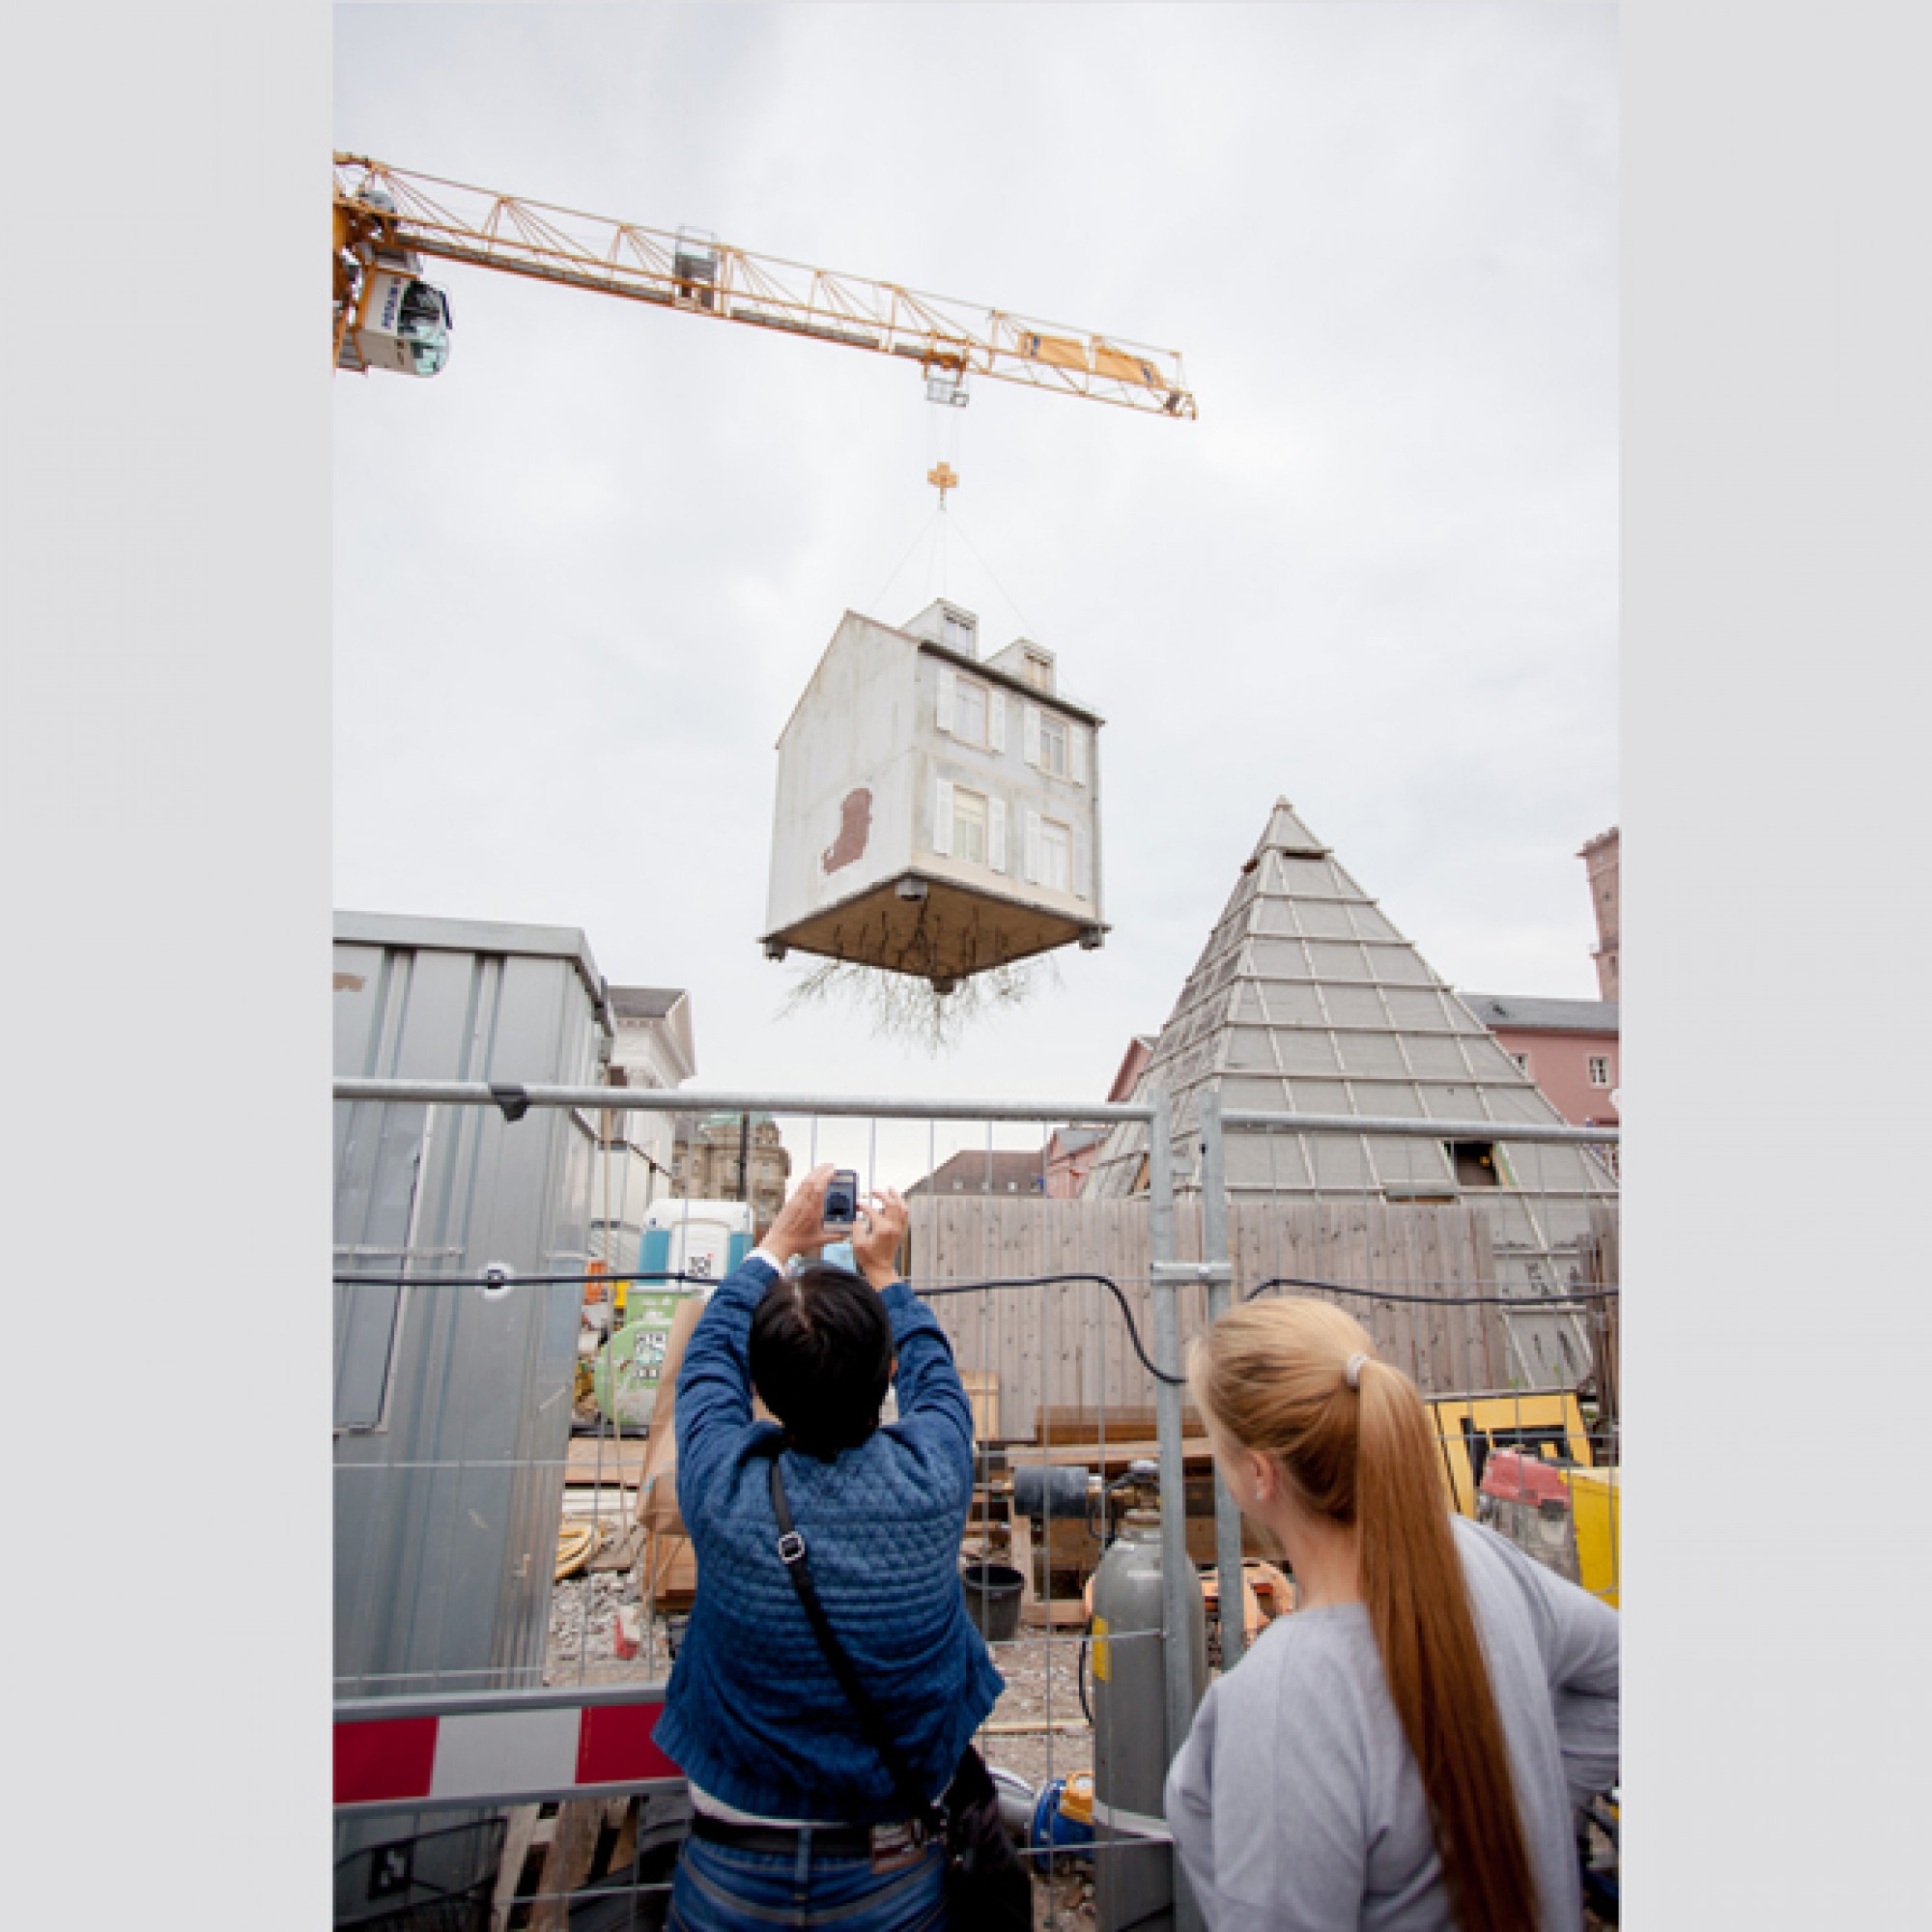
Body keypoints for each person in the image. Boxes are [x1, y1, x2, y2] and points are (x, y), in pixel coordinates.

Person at [1165, 1296, 1619, 1931]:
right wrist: (1527, 1802)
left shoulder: (1284, 1700)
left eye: (1216, 1440)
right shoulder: (1478, 1556)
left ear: (1259, 1475)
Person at [655, 1165, 1005, 1931]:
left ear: (763, 1386)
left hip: (731, 1862)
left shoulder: (721, 1484)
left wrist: (778, 1241)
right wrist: (882, 1269)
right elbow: (937, 1380)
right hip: (890, 1863)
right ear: (886, 1375)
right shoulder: (932, 1475)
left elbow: (707, 1362)